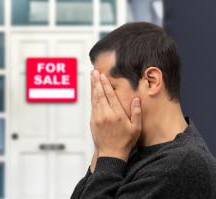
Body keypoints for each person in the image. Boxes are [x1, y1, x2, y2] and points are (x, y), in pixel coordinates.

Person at [70, 22, 216, 199]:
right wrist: (103, 150)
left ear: (151, 81)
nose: (100, 102)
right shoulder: (128, 151)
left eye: (109, 88)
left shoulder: (182, 166)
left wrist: (109, 156)